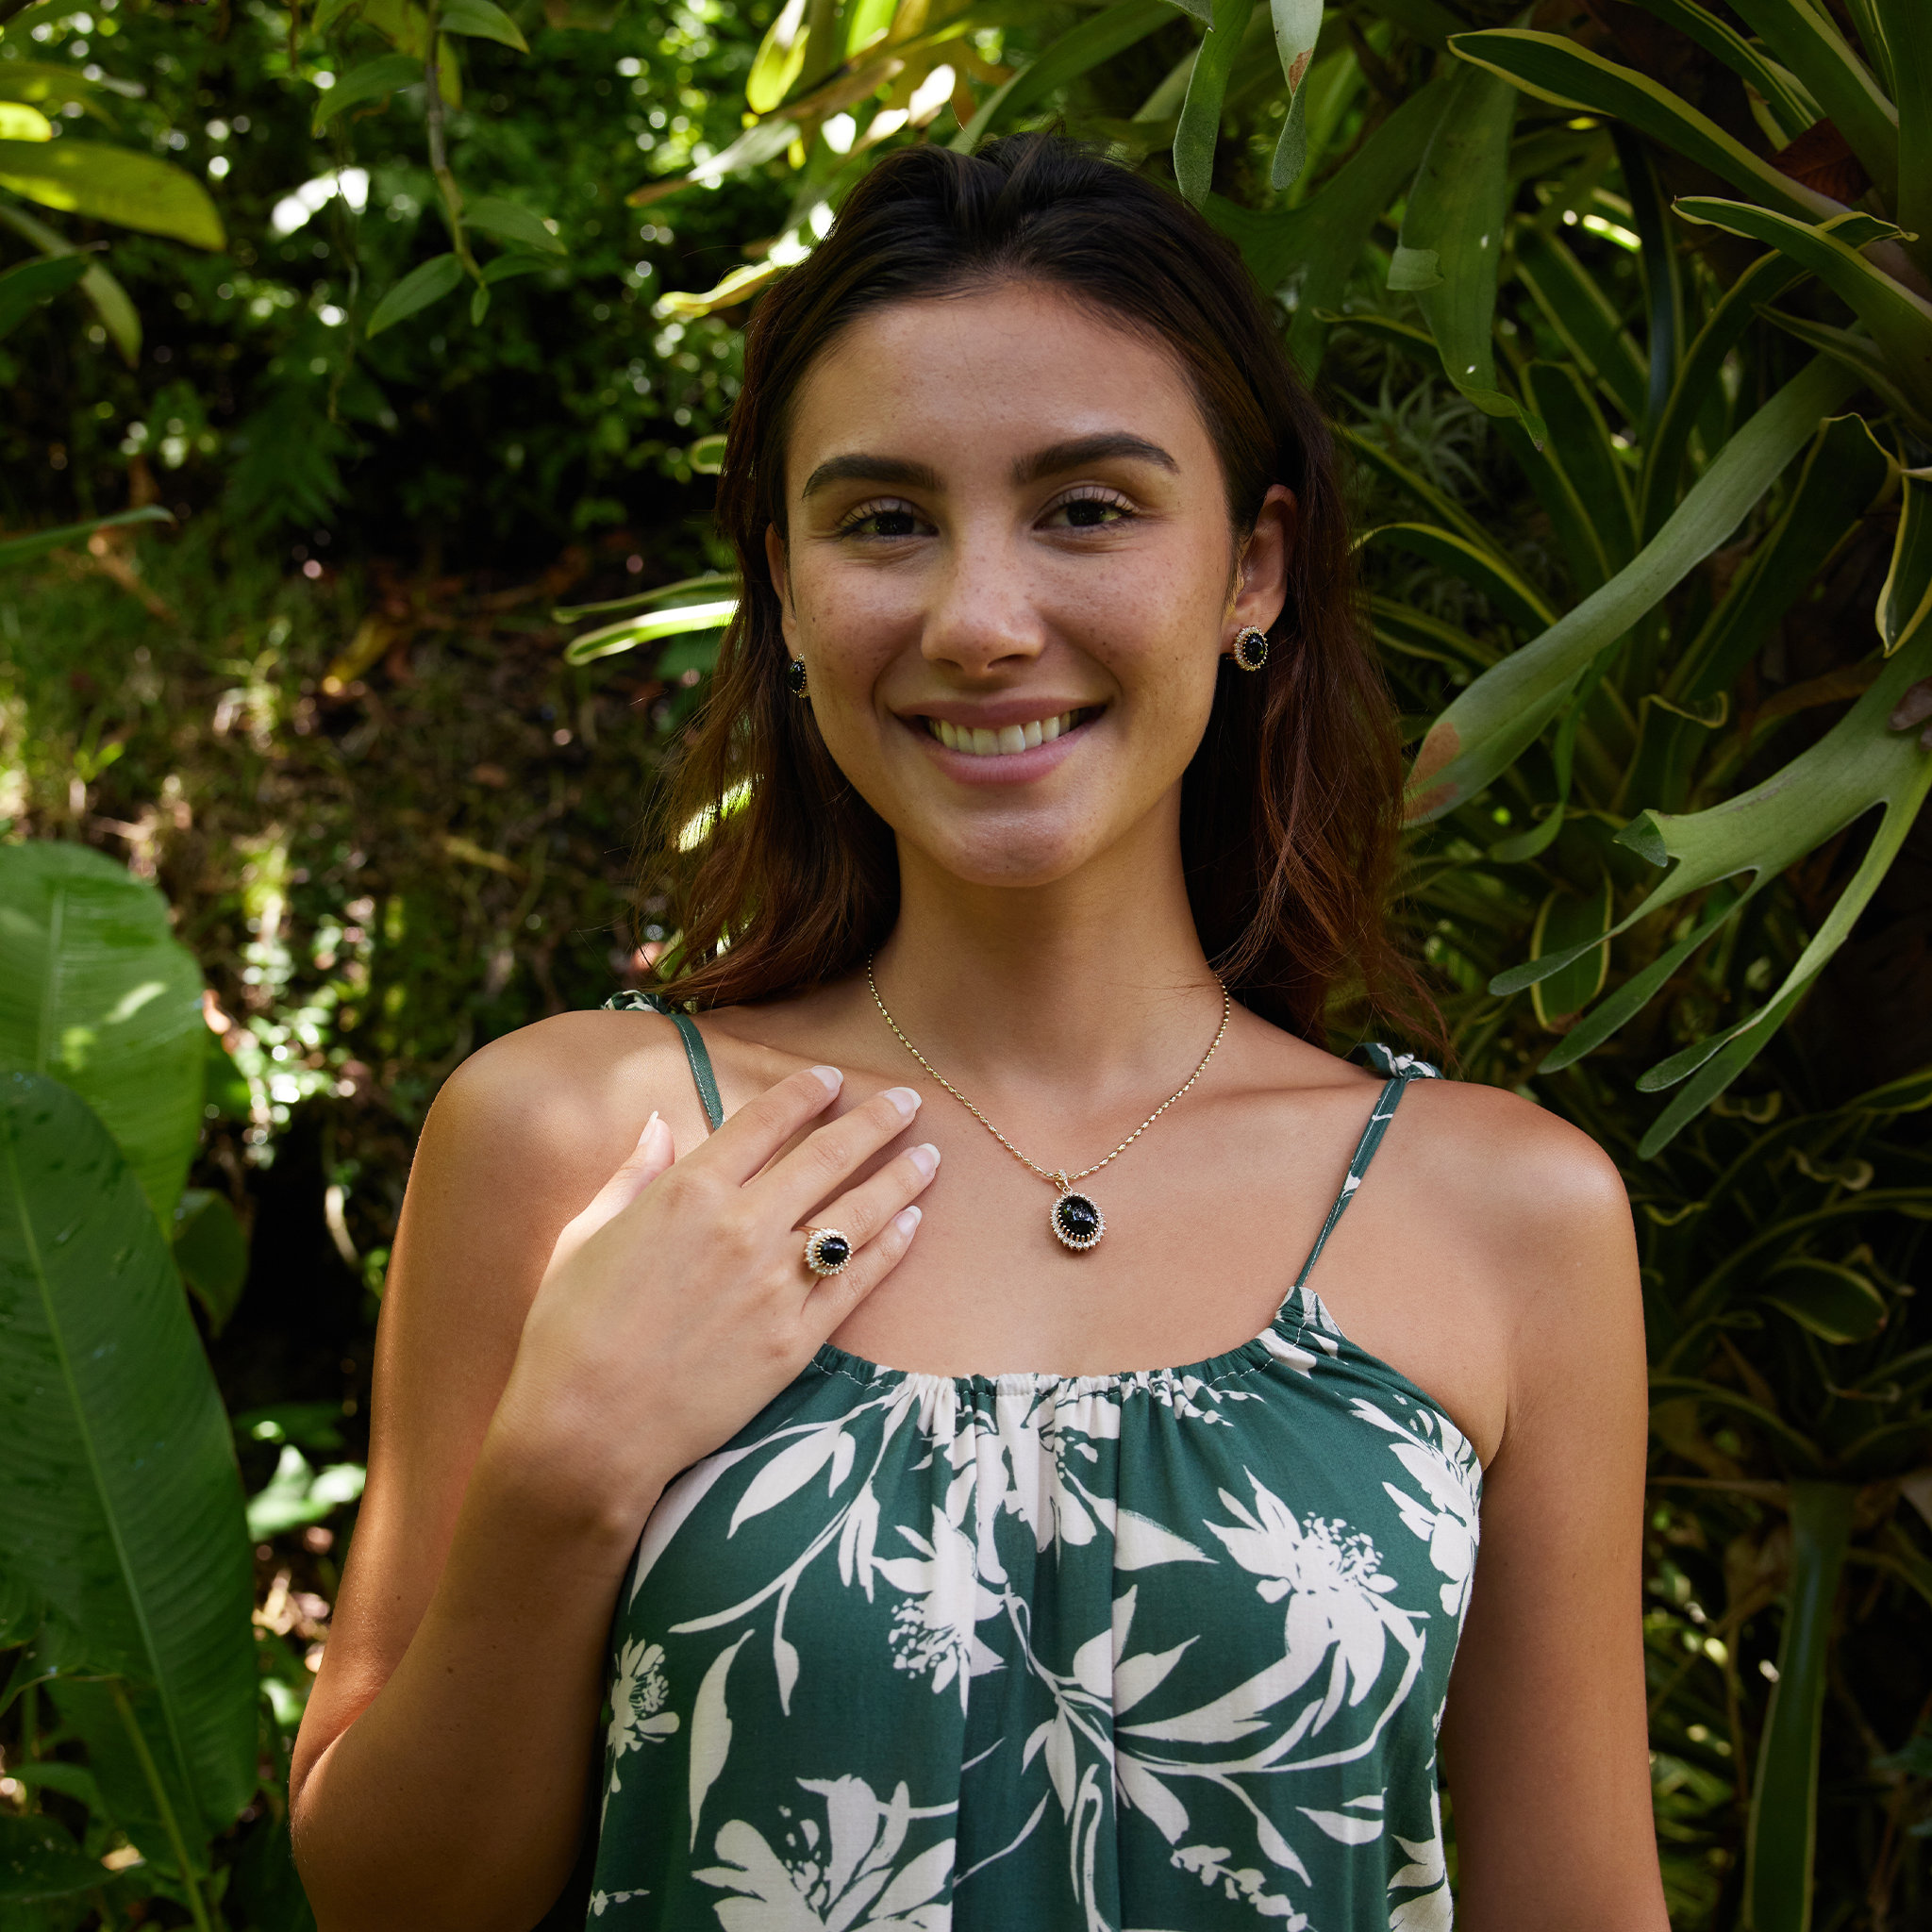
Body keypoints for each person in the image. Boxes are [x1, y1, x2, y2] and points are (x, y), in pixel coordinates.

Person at [290, 135, 1666, 1931]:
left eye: (1086, 508)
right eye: (883, 522)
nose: (980, 621)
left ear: (1253, 569)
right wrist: (567, 1468)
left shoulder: (1507, 1215)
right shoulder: (578, 1141)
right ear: (785, 588)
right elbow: (388, 1900)